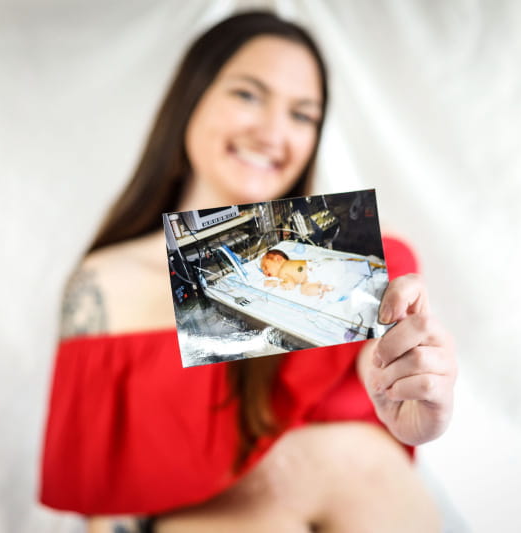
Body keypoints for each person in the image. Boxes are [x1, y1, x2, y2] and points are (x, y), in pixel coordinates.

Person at [40, 10, 457, 533]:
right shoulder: (103, 286)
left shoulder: (357, 259)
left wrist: (412, 389)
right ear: (190, 99)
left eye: (303, 115)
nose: (273, 133)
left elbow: (384, 373)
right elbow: (103, 500)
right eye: (247, 95)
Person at [260, 248, 334, 296]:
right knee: (304, 289)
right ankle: (323, 288)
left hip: (312, 271)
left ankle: (322, 288)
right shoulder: (292, 264)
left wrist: (275, 283)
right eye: (263, 271)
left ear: (278, 259)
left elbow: (290, 285)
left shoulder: (282, 270)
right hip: (315, 268)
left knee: (304, 290)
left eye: (265, 267)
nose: (264, 272)